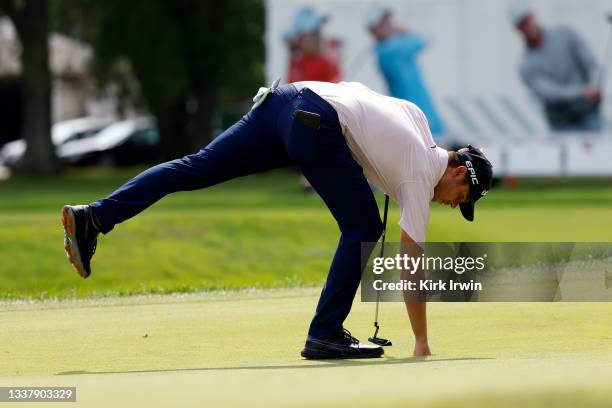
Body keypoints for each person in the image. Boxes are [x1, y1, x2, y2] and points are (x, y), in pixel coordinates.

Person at [61, 79, 493, 360]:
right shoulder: (421, 173)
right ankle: (325, 333)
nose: (454, 205)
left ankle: (94, 217)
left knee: (195, 168)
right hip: (315, 122)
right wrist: (421, 342)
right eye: (462, 198)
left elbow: (358, 98)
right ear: (458, 172)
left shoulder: (417, 120)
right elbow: (409, 263)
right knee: (364, 227)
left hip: (283, 102)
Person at [511, 4, 602, 131]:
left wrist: (595, 85)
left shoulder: (566, 35)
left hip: (588, 113)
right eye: (522, 24)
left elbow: (590, 62)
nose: (528, 26)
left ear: (533, 16)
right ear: (517, 29)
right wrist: (583, 92)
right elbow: (551, 94)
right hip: (561, 122)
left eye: (528, 19)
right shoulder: (526, 66)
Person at [366, 7, 446, 137]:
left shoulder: (385, 50)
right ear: (376, 29)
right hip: (415, 118)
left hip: (415, 115)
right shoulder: (390, 50)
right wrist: (404, 32)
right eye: (385, 23)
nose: (391, 25)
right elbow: (422, 40)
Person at [285, 7, 341, 83]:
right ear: (299, 40)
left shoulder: (326, 61)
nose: (318, 37)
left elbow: (335, 83)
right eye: (313, 33)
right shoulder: (296, 63)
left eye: (318, 31)